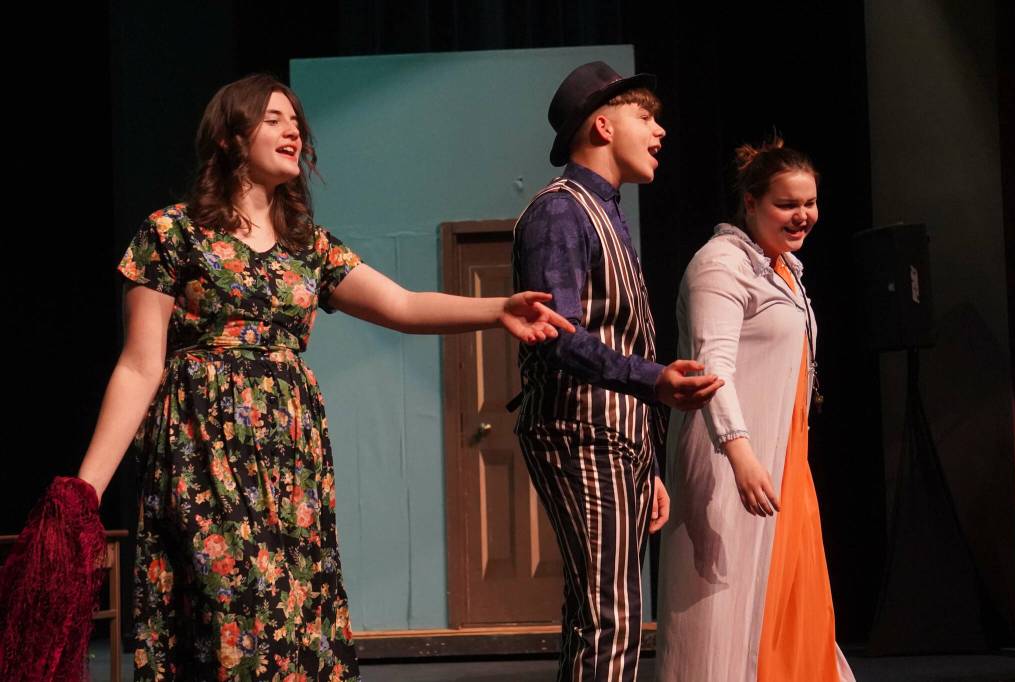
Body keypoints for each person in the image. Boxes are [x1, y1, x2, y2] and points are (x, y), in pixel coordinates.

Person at [75, 74, 575, 681]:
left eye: (296, 122)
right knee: (228, 605)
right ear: (232, 137)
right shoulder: (172, 233)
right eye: (273, 119)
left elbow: (404, 306)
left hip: (290, 457)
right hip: (204, 451)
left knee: (290, 612)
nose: (293, 131)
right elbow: (138, 364)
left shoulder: (307, 245)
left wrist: (495, 309)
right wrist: (85, 493)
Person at [511, 61, 723, 682]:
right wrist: (655, 381)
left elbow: (612, 334)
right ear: (602, 126)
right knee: (612, 616)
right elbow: (558, 335)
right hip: (579, 432)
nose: (660, 130)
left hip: (616, 438)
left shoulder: (606, 212)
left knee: (602, 614)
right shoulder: (561, 212)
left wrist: (647, 462)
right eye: (645, 116)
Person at [655, 138, 855, 681]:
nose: (802, 216)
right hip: (732, 460)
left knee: (788, 599)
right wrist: (740, 456)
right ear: (749, 202)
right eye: (786, 204)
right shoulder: (720, 265)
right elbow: (710, 368)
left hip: (783, 458)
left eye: (809, 203)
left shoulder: (784, 268)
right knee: (726, 611)